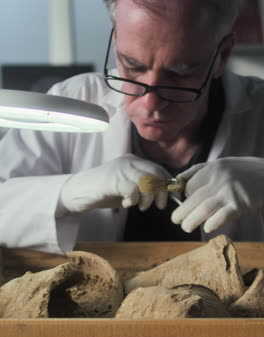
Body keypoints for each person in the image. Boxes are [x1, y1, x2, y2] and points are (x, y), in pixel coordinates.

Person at [0, 0, 263, 254]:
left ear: (223, 55)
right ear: (116, 44)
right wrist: (70, 192)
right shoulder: (70, 101)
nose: (150, 102)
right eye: (133, 66)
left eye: (179, 73)